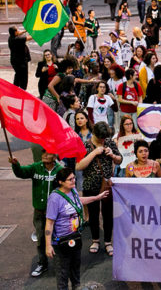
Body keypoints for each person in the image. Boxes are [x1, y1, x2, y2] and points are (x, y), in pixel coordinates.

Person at [45, 168, 108, 290]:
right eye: (70, 179)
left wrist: (97, 197)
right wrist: (48, 245)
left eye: (74, 178)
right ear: (61, 182)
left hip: (75, 238)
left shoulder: (72, 190)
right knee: (62, 276)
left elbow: (78, 201)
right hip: (61, 242)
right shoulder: (55, 198)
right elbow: (49, 223)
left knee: (75, 274)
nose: (74, 181)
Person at [9, 149, 63, 277]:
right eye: (43, 152)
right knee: (40, 238)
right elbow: (21, 173)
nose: (44, 155)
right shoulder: (36, 167)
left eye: (48, 153)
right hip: (39, 212)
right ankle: (42, 264)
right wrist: (15, 165)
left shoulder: (60, 170)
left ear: (55, 156)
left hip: (56, 213)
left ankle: (60, 264)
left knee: (58, 238)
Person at [75, 122, 122, 256]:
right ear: (94, 133)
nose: (102, 141)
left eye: (104, 138)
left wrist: (113, 155)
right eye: (100, 138)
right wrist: (94, 152)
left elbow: (119, 160)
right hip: (90, 185)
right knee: (93, 215)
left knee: (108, 214)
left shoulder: (109, 142)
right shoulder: (85, 145)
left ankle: (108, 241)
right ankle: (95, 240)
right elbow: (78, 166)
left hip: (107, 184)